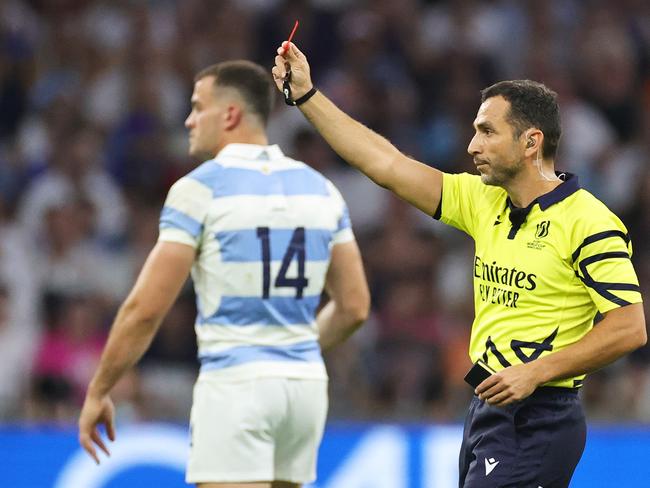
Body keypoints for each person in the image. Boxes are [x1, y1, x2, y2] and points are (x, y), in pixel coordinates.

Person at [273, 43, 646, 487]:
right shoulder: (481, 199)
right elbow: (385, 164)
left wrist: (536, 371)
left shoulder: (589, 221)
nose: (472, 145)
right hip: (488, 409)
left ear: (531, 142)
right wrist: (308, 95)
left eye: (487, 131)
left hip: (540, 414)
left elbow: (630, 327)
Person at [78, 59, 370, 488]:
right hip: (304, 390)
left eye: (198, 107)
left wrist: (100, 389)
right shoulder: (321, 189)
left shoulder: (199, 188)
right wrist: (295, 347)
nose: (188, 119)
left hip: (237, 384)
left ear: (230, 114)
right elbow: (355, 307)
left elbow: (144, 309)